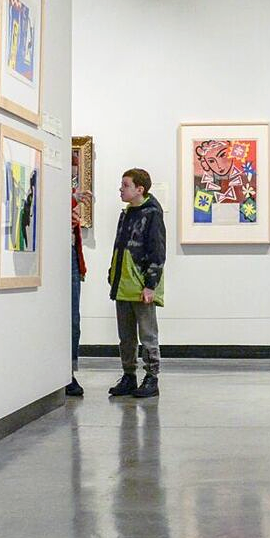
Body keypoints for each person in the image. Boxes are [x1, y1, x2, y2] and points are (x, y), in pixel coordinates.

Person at [107, 169, 165, 398]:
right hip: (123, 284)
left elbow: (157, 251)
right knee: (126, 336)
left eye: (125, 185)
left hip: (141, 285)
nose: (121, 189)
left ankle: (152, 377)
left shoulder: (152, 214)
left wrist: (150, 284)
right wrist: (113, 273)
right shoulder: (127, 213)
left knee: (148, 334)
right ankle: (129, 375)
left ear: (139, 189)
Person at [66, 192, 91, 397]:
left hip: (72, 257)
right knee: (70, 320)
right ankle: (65, 373)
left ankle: (68, 372)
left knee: (73, 320)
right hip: (62, 256)